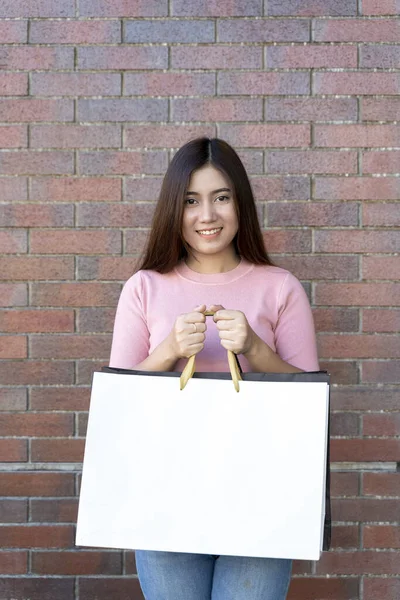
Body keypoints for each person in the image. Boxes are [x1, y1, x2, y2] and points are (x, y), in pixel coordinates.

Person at [109, 137, 319, 600]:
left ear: (239, 203)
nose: (207, 215)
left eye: (221, 197)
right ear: (174, 209)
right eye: (191, 201)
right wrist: (167, 351)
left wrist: (255, 349)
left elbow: (310, 402)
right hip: (164, 494)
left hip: (262, 494)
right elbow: (118, 406)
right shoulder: (143, 288)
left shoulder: (280, 287)